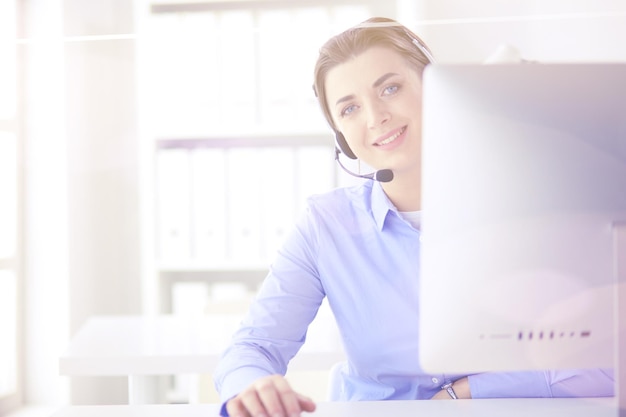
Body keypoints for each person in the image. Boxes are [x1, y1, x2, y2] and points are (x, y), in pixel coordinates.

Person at [213, 16, 614, 417]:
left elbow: (610, 362)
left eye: (390, 88)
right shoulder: (326, 224)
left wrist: (471, 391)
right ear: (341, 137)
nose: (375, 117)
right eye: (350, 108)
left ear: (436, 90)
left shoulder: (539, 205)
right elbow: (253, 347)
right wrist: (251, 388)